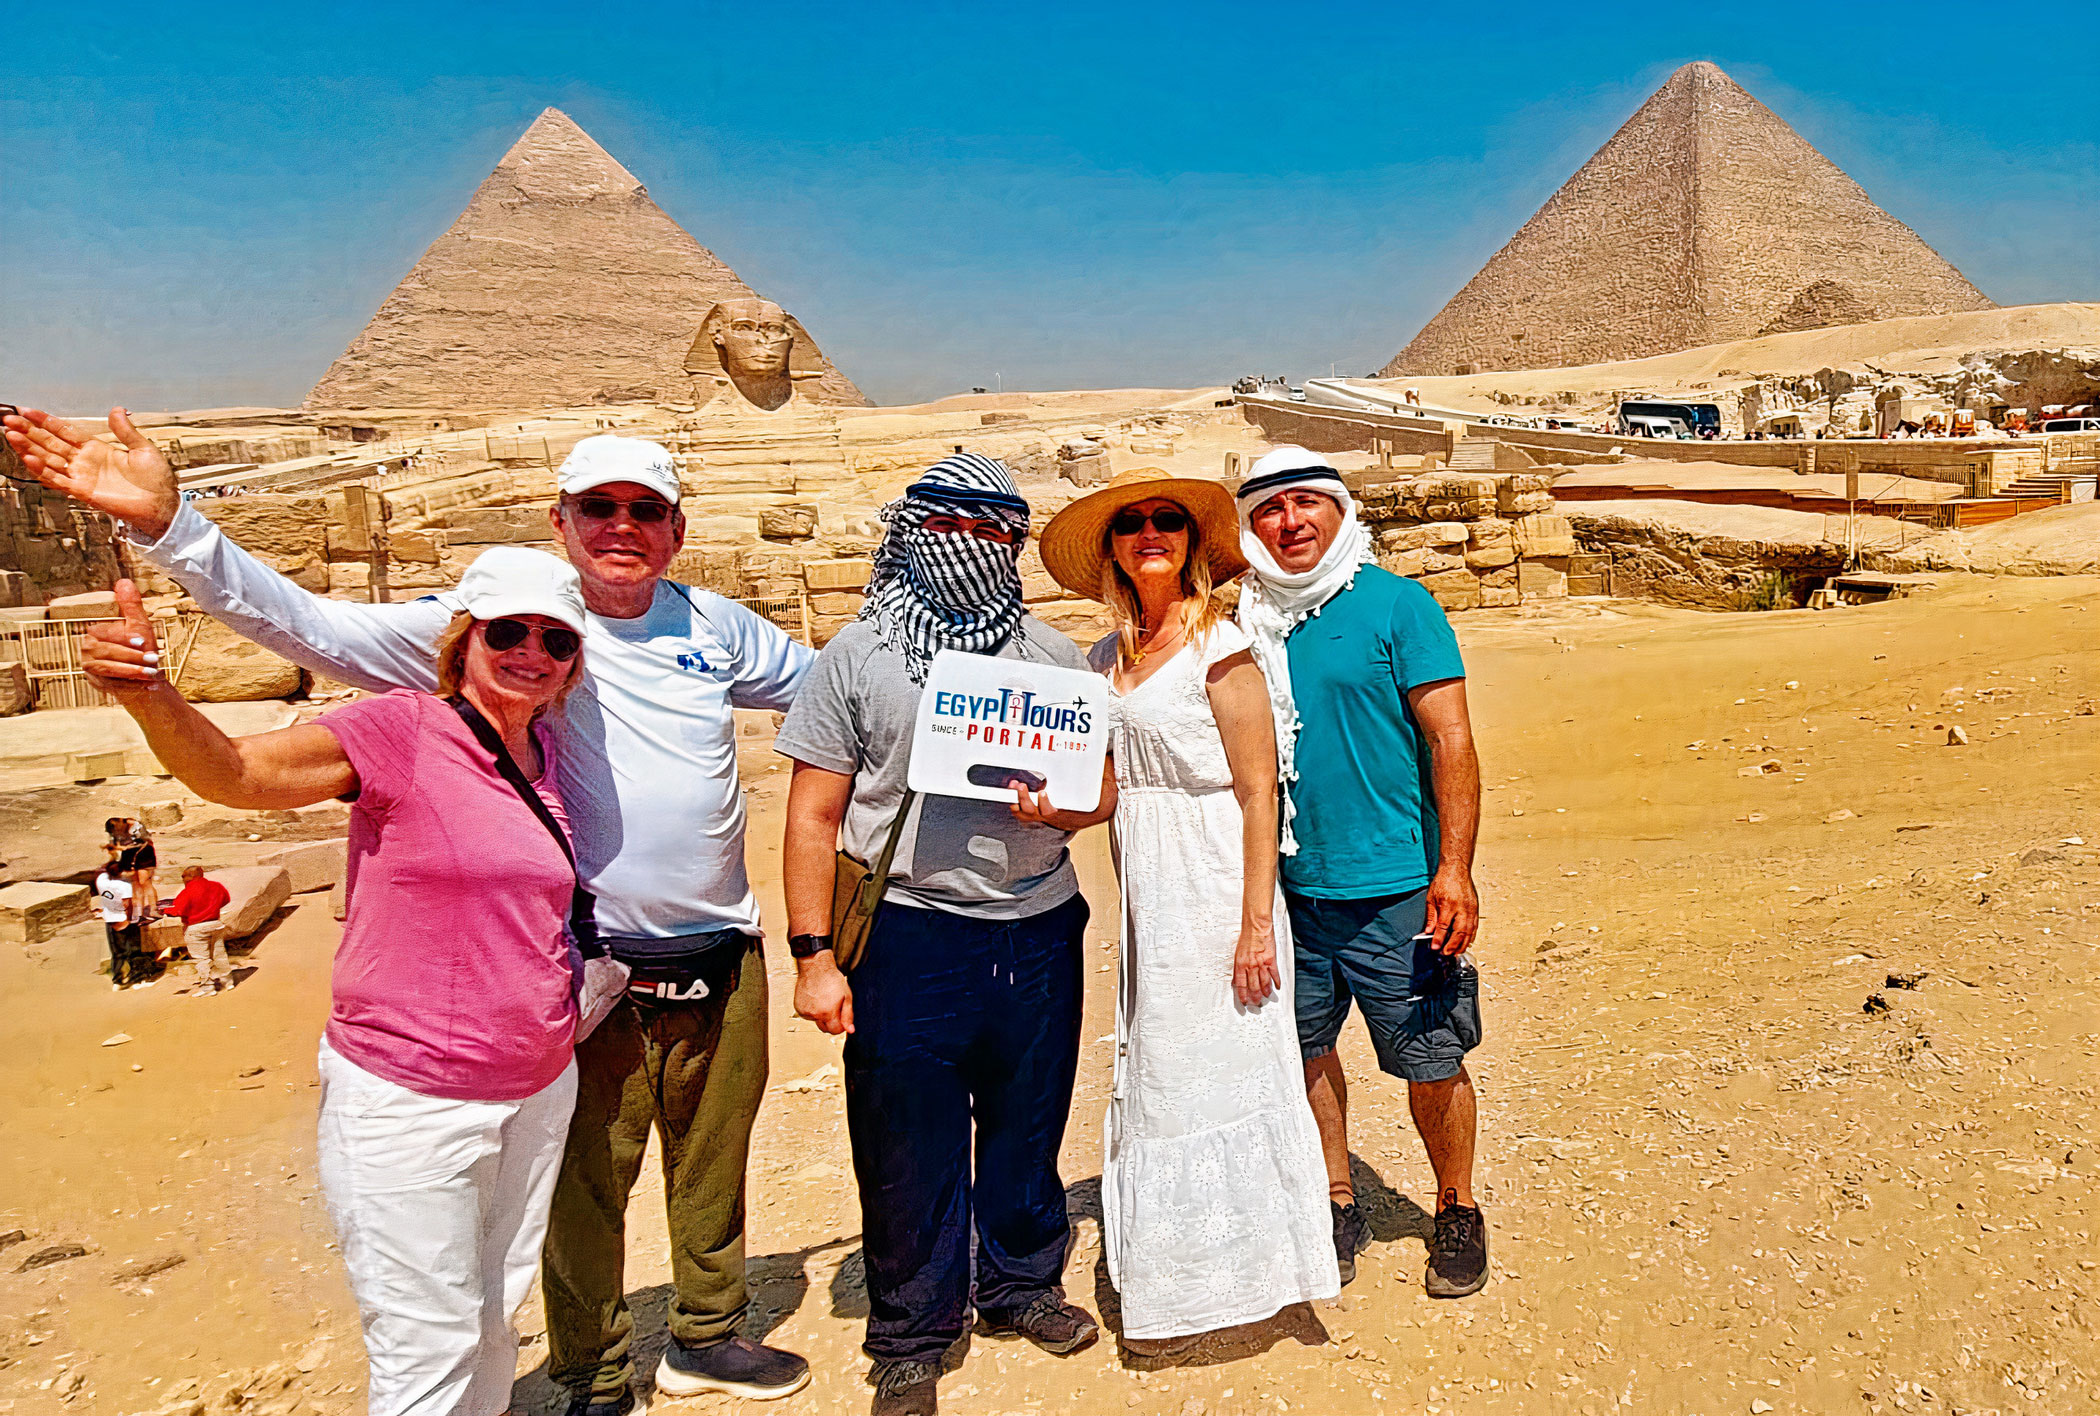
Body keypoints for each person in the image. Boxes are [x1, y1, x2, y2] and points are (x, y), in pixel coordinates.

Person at [4, 408, 813, 1411]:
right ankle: (596, 1377)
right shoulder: (463, 662)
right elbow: (300, 630)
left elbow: (838, 697)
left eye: (646, 509)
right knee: (571, 1207)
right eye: (598, 506)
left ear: (677, 528)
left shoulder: (705, 631)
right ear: (557, 521)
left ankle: (707, 1335)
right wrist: (177, 531)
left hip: (685, 962)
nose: (622, 526)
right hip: (566, 985)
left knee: (652, 1199)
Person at [82, 548, 591, 1416]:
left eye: (556, 639)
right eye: (508, 631)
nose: (531, 653)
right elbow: (236, 774)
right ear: (463, 640)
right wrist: (151, 695)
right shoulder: (401, 730)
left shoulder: (547, 758)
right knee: (425, 1348)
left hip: (537, 1086)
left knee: (493, 1320)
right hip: (412, 1096)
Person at [778, 453, 1116, 1416]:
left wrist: (1070, 815)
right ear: (915, 530)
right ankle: (914, 1331)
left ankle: (1020, 1284)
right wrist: (814, 956)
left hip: (1039, 922)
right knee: (905, 1139)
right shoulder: (858, 658)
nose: (976, 548)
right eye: (955, 527)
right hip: (908, 932)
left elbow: (1103, 790)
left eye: (997, 532)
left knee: (1029, 1119)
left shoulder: (1053, 660)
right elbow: (811, 815)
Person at [1037, 469, 1339, 1352]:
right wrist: (1043, 808)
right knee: (1163, 1070)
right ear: (1112, 551)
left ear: (1193, 541)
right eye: (1131, 525)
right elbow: (1097, 790)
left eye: (1167, 520)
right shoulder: (1100, 659)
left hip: (1218, 884)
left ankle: (1259, 1270)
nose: (1150, 534)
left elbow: (1257, 795)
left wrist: (1255, 922)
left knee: (1231, 1063)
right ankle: (1180, 1277)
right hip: (1150, 893)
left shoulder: (1222, 646)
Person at [1235, 446, 1489, 1299]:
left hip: (1396, 890)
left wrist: (1453, 870)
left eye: (1307, 502)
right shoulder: (1243, 621)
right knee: (1302, 1054)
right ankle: (1337, 1199)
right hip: (1289, 892)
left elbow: (1450, 738)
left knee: (1431, 1056)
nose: (1291, 521)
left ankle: (1455, 1206)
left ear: (1342, 512)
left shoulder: (1396, 607)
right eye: (1270, 508)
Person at [162, 864, 234, 996]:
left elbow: (178, 910)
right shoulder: (216, 886)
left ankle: (208, 987)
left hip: (196, 927)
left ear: (189, 877)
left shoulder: (187, 891)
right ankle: (228, 981)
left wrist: (163, 910)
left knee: (202, 958)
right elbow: (226, 899)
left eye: (183, 877)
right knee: (219, 954)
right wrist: (212, 909)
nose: (183, 880)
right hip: (215, 924)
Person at [95, 845, 144, 991]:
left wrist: (112, 856)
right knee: (133, 950)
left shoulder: (101, 880)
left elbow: (106, 867)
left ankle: (117, 980)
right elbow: (127, 903)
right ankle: (135, 978)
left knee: (117, 953)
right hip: (124, 919)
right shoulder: (124, 885)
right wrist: (129, 919)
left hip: (110, 919)